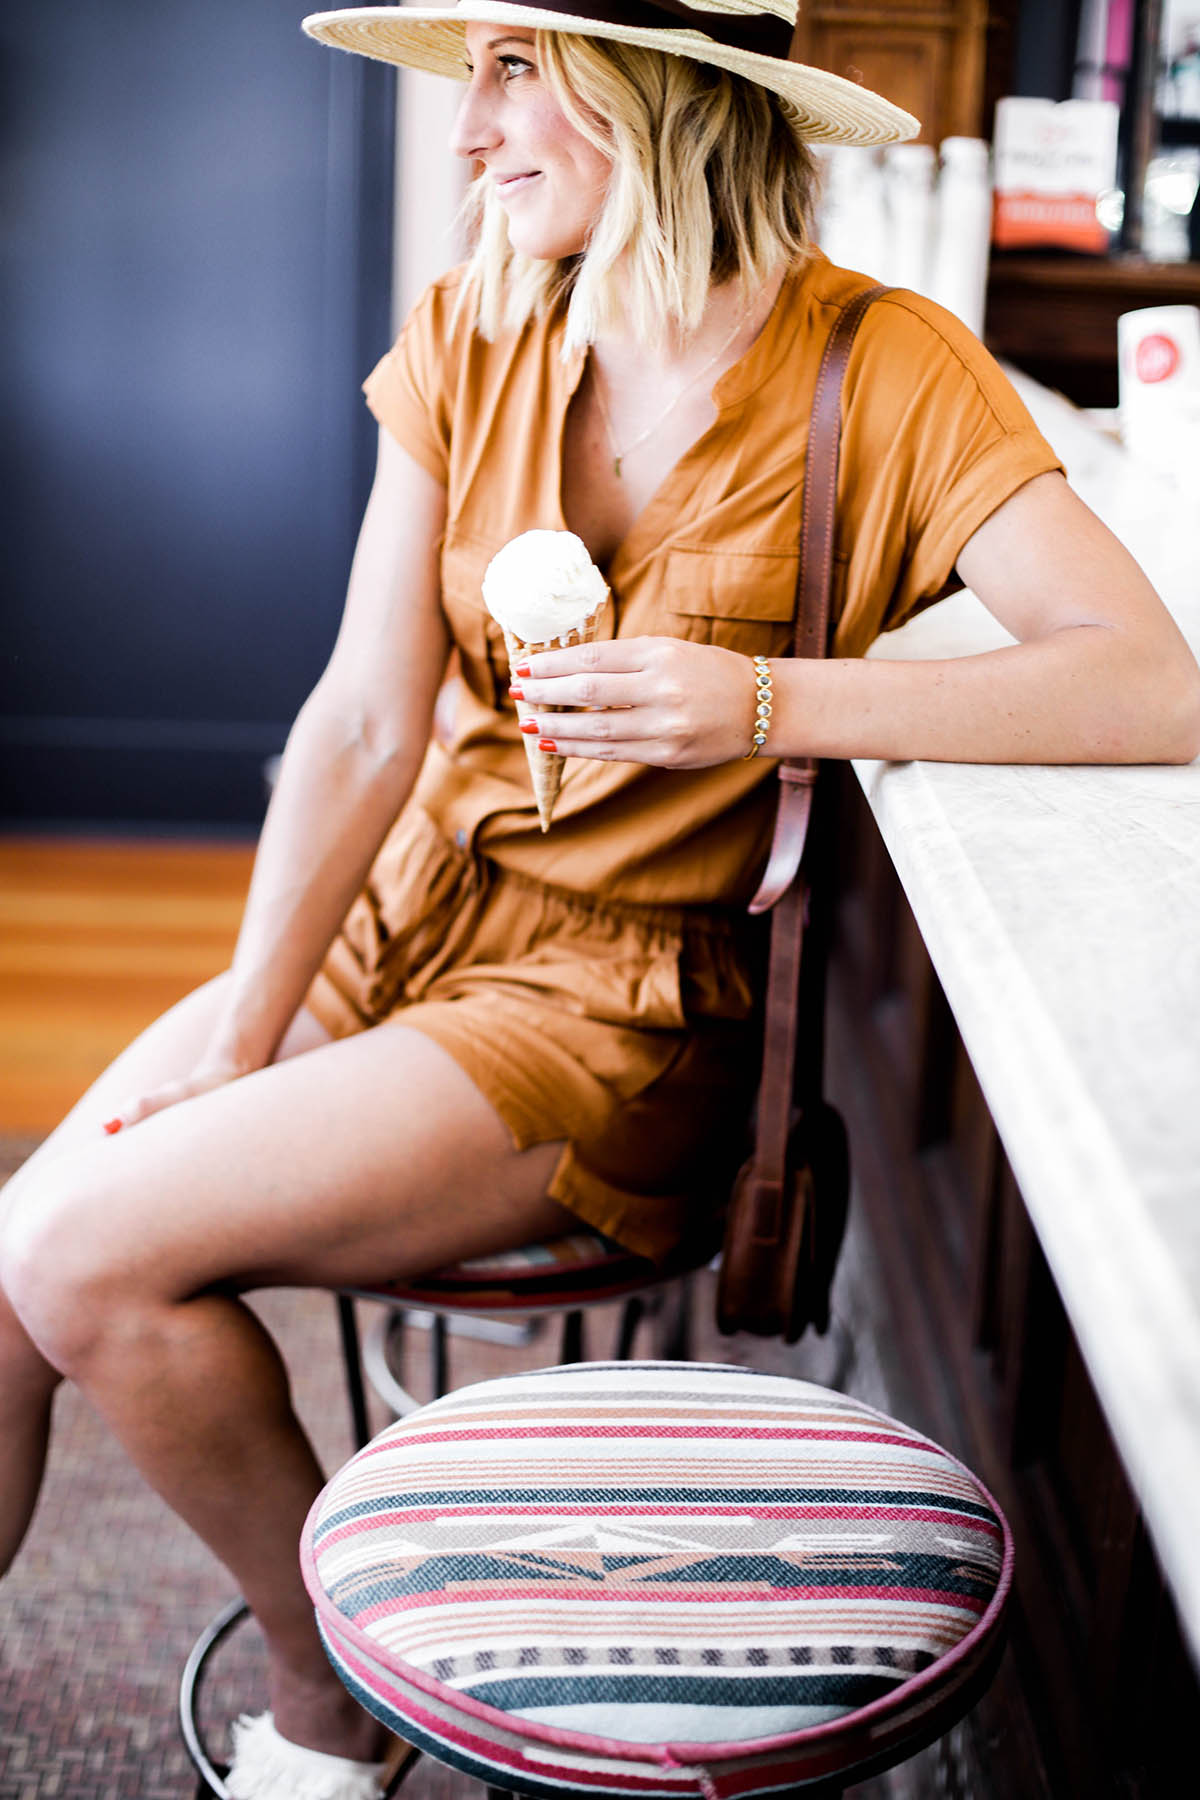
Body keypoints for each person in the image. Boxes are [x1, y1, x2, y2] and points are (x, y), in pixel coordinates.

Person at [2, 3, 1198, 1796]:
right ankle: (341, 1660)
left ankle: (331, 1703)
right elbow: (360, 720)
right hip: (401, 921)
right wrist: (245, 1031)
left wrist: (773, 702)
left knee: (69, 1253)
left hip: (608, 1017)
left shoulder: (886, 371)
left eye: (511, 69)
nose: (467, 127)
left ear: (660, 96)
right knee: (15, 1257)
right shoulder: (475, 325)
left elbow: (1150, 685)